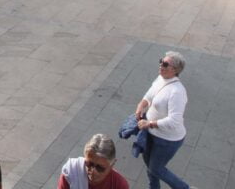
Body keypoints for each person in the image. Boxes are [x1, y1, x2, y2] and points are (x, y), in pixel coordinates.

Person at [134, 52, 189, 189]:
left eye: (165, 64)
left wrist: (149, 124)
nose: (160, 65)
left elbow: (174, 121)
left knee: (156, 169)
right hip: (151, 134)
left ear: (175, 70)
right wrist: (141, 105)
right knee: (150, 167)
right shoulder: (161, 78)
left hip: (167, 140)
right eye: (161, 61)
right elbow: (149, 95)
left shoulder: (177, 92)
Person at [58, 134, 128, 189]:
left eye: (100, 168)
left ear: (112, 165)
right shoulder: (71, 172)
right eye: (89, 164)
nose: (93, 171)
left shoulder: (119, 185)